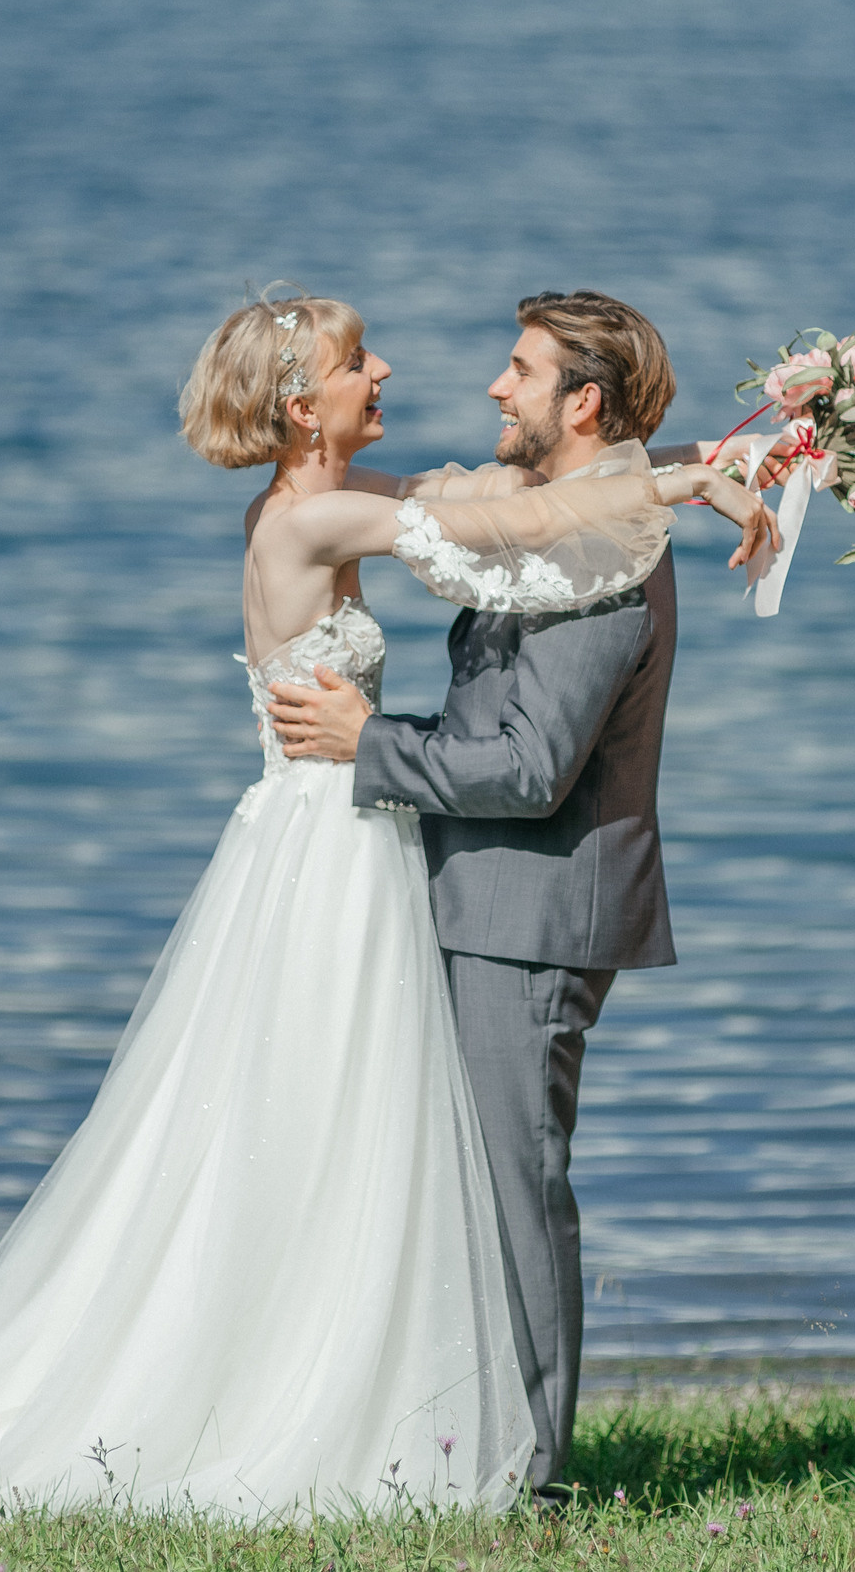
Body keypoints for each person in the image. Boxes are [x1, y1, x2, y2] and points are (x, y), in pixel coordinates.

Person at [0, 291, 771, 1516]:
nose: (393, 368)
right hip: (334, 853)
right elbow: (517, 515)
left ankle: (393, 1410)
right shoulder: (314, 517)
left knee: (346, 1140)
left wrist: (696, 465)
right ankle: (369, 1422)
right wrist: (687, 485)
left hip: (350, 846)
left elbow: (494, 501)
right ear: (300, 402)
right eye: (358, 360)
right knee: (331, 1133)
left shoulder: (328, 500)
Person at [266, 289, 704, 1497]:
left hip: (531, 911)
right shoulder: (571, 519)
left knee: (516, 1186)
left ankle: (533, 1468)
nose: (495, 391)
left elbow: (523, 766)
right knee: (474, 1180)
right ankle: (468, 1435)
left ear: (582, 402)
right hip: (493, 901)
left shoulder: (601, 566)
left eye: (519, 373)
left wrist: (370, 738)